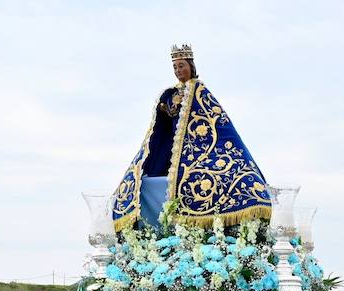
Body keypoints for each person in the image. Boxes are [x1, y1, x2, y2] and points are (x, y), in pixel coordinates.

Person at [112, 44, 269, 230]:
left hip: (199, 152)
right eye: (175, 67)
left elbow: (216, 123)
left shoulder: (200, 91)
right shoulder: (171, 94)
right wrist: (165, 109)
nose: (178, 71)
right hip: (172, 153)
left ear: (191, 66)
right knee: (145, 182)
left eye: (182, 66)